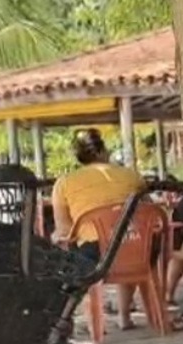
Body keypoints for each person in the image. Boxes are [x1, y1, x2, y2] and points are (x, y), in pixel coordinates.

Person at [51, 128, 148, 329]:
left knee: (72, 256)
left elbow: (64, 231)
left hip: (95, 256)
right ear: (104, 151)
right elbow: (148, 210)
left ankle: (92, 323)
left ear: (78, 157)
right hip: (137, 250)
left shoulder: (65, 183)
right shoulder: (132, 176)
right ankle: (124, 317)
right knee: (124, 239)